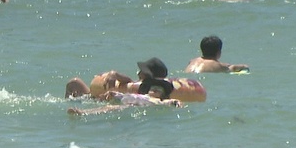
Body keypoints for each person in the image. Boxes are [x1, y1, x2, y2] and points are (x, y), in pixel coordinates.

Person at [65, 57, 207, 102]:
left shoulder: (154, 89)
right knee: (73, 82)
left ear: (146, 75)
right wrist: (114, 74)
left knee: (75, 86)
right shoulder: (140, 84)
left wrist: (118, 96)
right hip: (98, 96)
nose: (139, 73)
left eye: (141, 72)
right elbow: (128, 81)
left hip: (105, 99)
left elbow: (149, 99)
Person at [68, 79, 182, 115]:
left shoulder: (158, 101)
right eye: (153, 88)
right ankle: (82, 108)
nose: (154, 91)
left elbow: (173, 101)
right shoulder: (141, 96)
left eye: (158, 90)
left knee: (110, 108)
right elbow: (126, 97)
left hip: (133, 108)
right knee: (110, 106)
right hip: (129, 104)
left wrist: (177, 103)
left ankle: (84, 112)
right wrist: (113, 94)